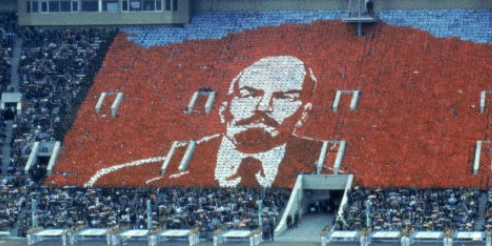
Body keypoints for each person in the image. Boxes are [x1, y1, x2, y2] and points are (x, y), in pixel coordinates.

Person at [87, 55, 325, 188]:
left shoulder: (327, 173)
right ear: (224, 107)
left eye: (285, 98)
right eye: (249, 94)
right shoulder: (118, 179)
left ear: (304, 113)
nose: (263, 107)